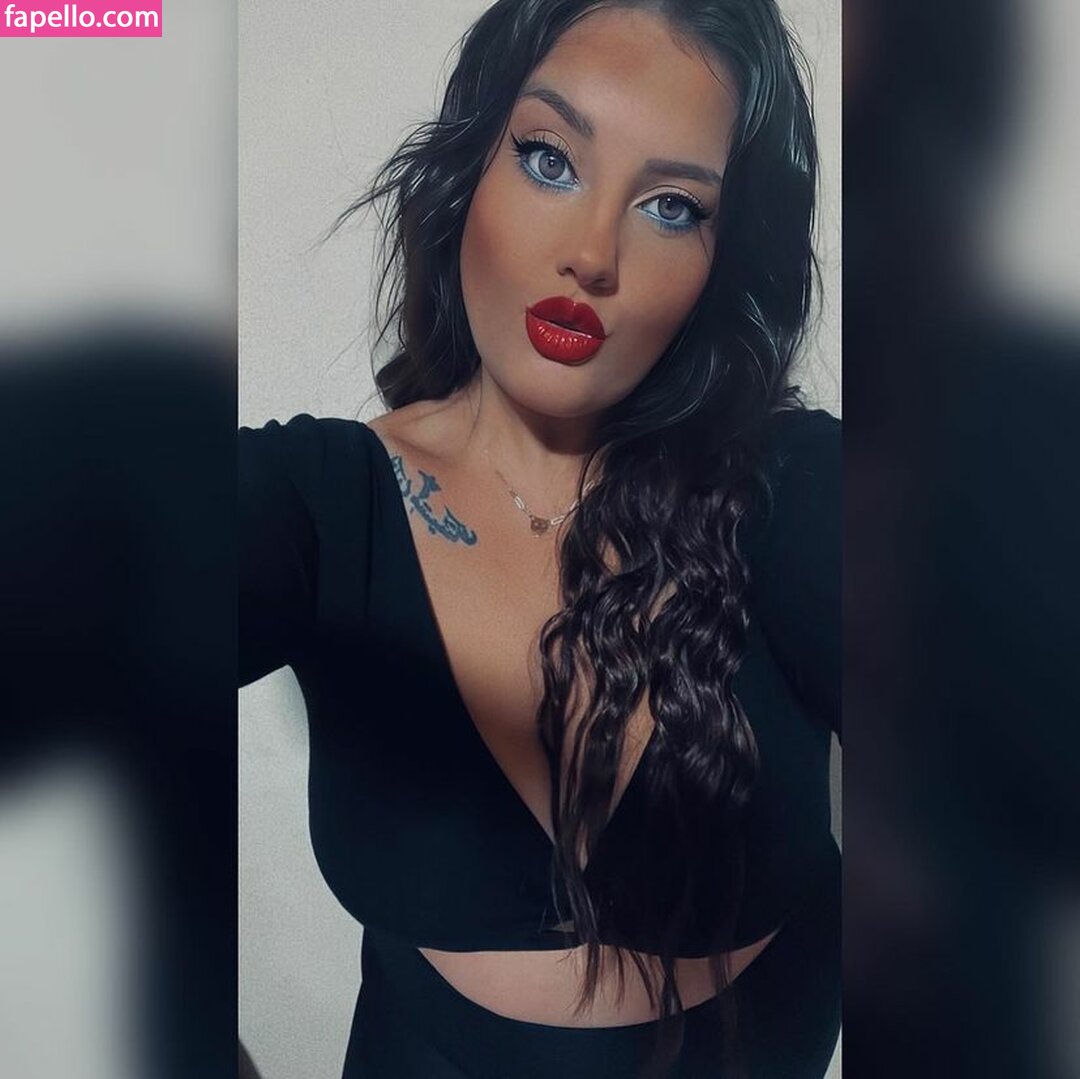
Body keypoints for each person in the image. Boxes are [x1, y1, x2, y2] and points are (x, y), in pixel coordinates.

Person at [240, 0, 839, 1076]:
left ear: (723, 257)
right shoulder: (322, 502)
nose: (592, 254)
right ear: (470, 167)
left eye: (671, 206)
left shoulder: (791, 491)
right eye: (549, 158)